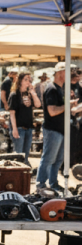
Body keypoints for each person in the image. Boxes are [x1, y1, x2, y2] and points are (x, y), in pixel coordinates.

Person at [37, 62, 82, 191]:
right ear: (60, 73)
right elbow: (52, 111)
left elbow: (59, 108)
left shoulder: (59, 88)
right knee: (49, 158)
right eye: (67, 72)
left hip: (60, 129)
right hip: (53, 129)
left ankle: (53, 183)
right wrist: (68, 105)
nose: (70, 75)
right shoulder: (52, 88)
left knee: (58, 160)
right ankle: (41, 184)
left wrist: (69, 103)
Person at [7, 71, 40, 165]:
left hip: (28, 127)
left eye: (29, 80)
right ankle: (17, 171)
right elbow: (12, 113)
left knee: (25, 155)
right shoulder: (15, 95)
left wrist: (33, 93)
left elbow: (38, 105)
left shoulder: (29, 94)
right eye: (26, 79)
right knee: (18, 154)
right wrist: (14, 129)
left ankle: (23, 171)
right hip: (19, 127)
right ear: (20, 81)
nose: (28, 82)